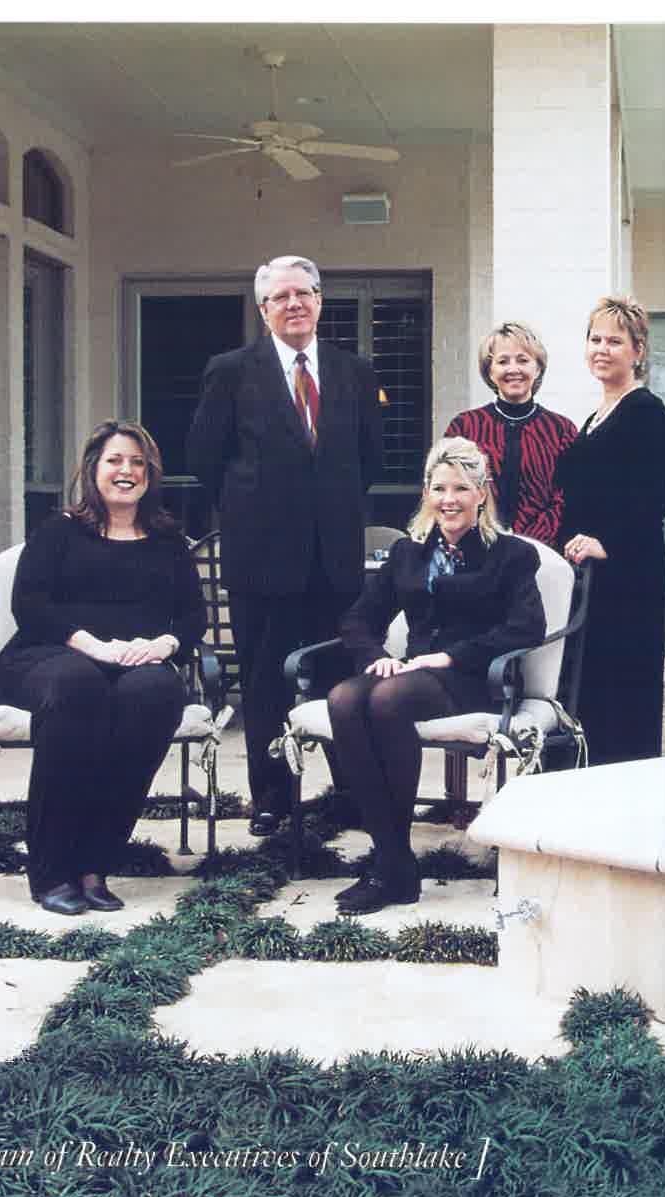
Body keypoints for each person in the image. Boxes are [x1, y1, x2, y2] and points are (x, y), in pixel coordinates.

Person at [187, 254, 382, 838]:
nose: (294, 304)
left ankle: (349, 792)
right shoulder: (230, 370)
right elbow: (204, 457)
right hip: (261, 558)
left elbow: (370, 459)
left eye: (304, 293)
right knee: (266, 682)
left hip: (334, 559)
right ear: (262, 308)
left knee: (341, 679)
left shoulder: (354, 372)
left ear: (320, 300)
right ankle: (271, 798)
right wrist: (258, 505)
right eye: (280, 296)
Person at [0, 421, 205, 916]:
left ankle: (94, 863)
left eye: (137, 462)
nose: (126, 471)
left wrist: (162, 645)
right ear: (93, 469)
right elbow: (31, 605)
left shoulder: (168, 540)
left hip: (135, 663)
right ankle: (51, 870)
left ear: (150, 474)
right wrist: (92, 646)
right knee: (78, 685)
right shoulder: (59, 531)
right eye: (115, 460)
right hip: (49, 656)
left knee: (156, 694)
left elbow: (193, 616)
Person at [328, 437, 546, 914]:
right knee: (343, 698)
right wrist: (376, 656)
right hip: (412, 675)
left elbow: (527, 627)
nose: (450, 499)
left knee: (386, 701)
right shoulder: (409, 553)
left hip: (475, 678)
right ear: (427, 493)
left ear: (482, 493)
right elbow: (358, 619)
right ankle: (393, 861)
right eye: (440, 488)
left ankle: (390, 869)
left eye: (461, 488)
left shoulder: (510, 555)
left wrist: (450, 658)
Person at [554, 295, 665, 766]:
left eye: (615, 341)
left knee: (622, 696)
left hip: (628, 575)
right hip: (591, 575)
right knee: (591, 695)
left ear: (638, 350)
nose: (602, 349)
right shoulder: (595, 417)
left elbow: (656, 494)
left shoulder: (647, 412)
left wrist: (608, 543)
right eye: (595, 339)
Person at [443, 322, 577, 546]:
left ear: (538, 368)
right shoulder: (464, 427)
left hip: (543, 551)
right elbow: (448, 490)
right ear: (489, 371)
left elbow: (568, 496)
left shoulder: (561, 430)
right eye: (503, 361)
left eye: (523, 360)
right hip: (476, 549)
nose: (513, 369)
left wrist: (528, 542)